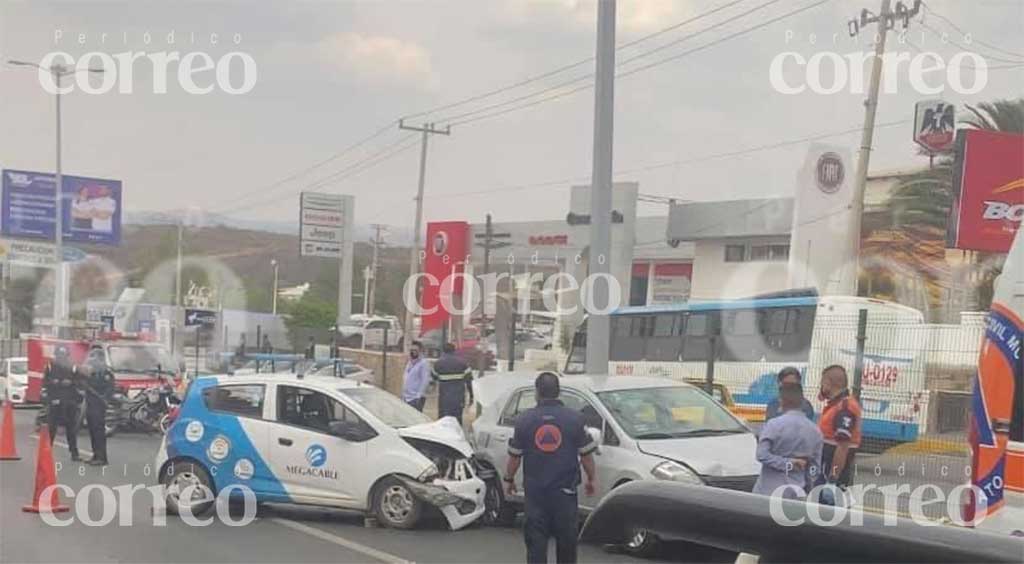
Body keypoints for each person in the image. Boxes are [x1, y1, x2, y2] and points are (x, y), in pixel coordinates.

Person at [505, 372, 598, 564]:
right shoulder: (575, 419)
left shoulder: (524, 420)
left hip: (536, 493)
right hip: (565, 492)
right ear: (559, 392)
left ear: (537, 392)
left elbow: (514, 457)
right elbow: (586, 456)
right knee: (567, 543)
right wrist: (591, 479)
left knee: (536, 543)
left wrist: (509, 479)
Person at [753, 382, 823, 499]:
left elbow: (761, 455)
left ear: (781, 401)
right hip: (796, 495)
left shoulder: (773, 425)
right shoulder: (816, 432)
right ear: (802, 401)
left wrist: (788, 463)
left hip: (766, 493)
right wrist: (808, 484)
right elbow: (815, 468)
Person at [817, 365, 863, 490]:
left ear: (828, 383)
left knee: (827, 508)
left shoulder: (845, 407)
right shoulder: (836, 405)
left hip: (831, 477)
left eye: (822, 383)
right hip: (825, 473)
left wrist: (832, 479)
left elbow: (842, 446)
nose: (821, 387)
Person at [43, 346, 83, 461]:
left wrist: (71, 382)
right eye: (59, 355)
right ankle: (46, 451)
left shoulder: (73, 366)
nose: (61, 358)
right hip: (55, 399)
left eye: (63, 355)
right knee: (52, 427)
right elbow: (45, 381)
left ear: (67, 355)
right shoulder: (50, 366)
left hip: (70, 401)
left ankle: (74, 453)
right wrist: (54, 382)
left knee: (71, 428)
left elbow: (80, 381)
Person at [83, 351, 115, 466]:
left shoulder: (106, 373)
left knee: (98, 432)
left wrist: (104, 399)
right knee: (92, 431)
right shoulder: (91, 373)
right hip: (90, 404)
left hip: (99, 406)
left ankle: (102, 457)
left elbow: (110, 388)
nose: (93, 360)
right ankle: (95, 455)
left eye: (95, 358)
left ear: (101, 359)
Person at [432, 343, 474, 424]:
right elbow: (469, 381)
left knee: (443, 422)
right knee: (457, 421)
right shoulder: (463, 363)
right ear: (454, 351)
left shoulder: (438, 364)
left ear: (443, 351)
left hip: (444, 399)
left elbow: (433, 379)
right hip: (458, 398)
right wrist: (471, 396)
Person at [401, 341, 431, 411]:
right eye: (411, 350)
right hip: (406, 398)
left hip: (415, 399)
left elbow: (425, 380)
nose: (413, 352)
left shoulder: (423, 363)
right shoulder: (410, 362)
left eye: (415, 350)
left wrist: (418, 396)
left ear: (420, 351)